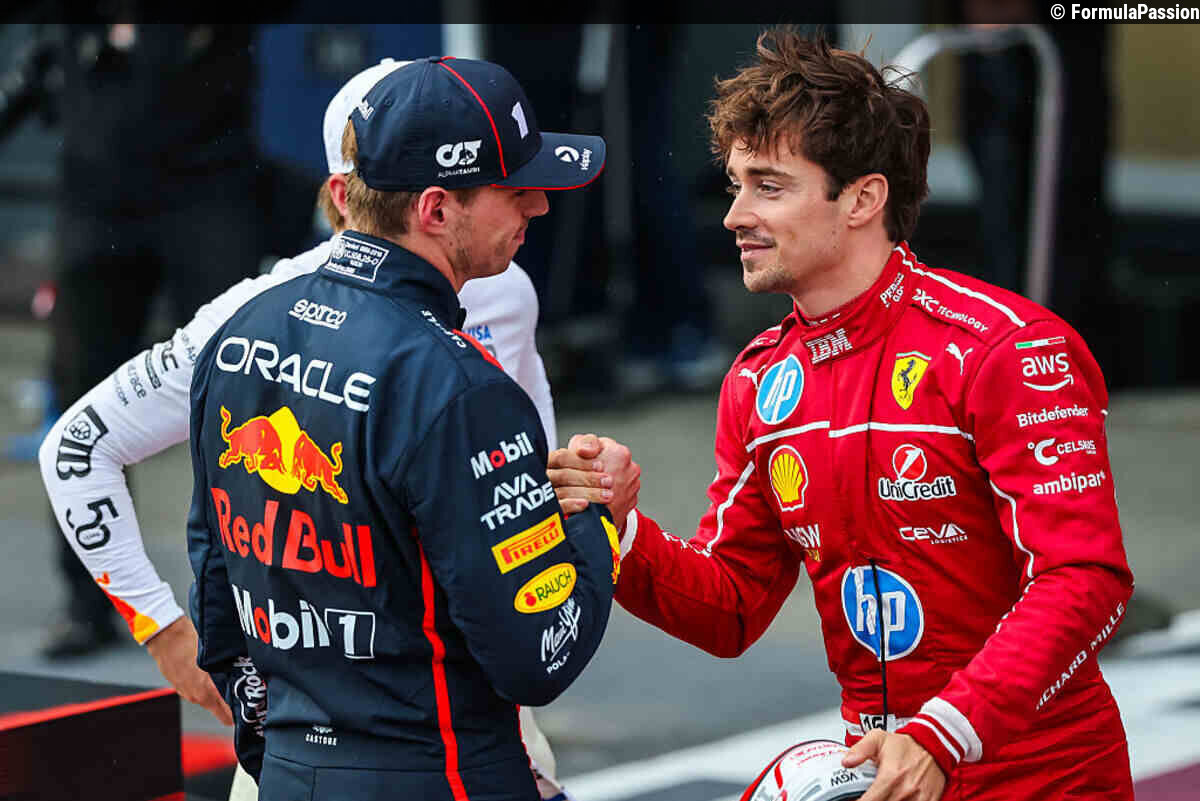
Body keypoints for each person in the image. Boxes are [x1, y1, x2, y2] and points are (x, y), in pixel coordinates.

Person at [551, 29, 1134, 800]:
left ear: (862, 198)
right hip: (882, 772)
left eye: (769, 186)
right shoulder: (760, 381)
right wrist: (620, 526)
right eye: (735, 184)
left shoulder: (1005, 349)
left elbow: (1084, 576)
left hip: (1044, 776)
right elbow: (730, 605)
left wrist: (944, 731)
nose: (734, 215)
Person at [38, 57, 575, 800]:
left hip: (467, 708)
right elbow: (75, 446)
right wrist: (163, 630)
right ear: (348, 194)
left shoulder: (503, 284)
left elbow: (530, 469)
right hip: (305, 718)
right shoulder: (247, 316)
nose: (532, 208)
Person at [187, 56, 633, 801]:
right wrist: (597, 519)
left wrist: (288, 761)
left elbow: (217, 605)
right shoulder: (459, 387)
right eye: (513, 189)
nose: (538, 206)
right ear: (435, 210)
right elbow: (536, 657)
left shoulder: (239, 336)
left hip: (293, 777)